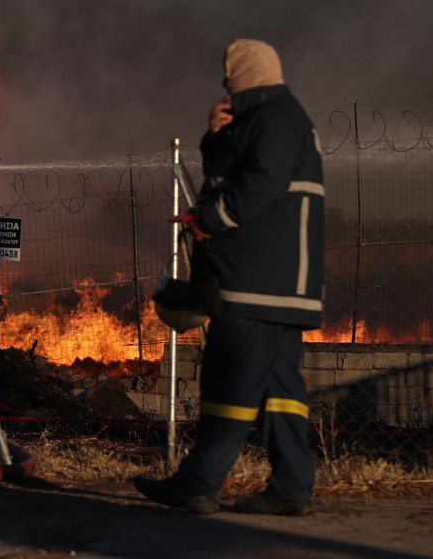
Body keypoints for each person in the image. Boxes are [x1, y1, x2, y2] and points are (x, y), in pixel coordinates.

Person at [134, 37, 325, 517]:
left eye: (229, 78)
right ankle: (292, 486)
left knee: (229, 380)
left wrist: (208, 220)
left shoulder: (275, 118)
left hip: (256, 281)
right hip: (275, 286)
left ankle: (199, 483)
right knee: (281, 391)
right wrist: (215, 140)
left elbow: (260, 187)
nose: (225, 88)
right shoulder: (264, 120)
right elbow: (230, 177)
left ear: (244, 75)